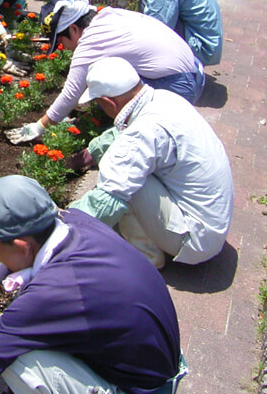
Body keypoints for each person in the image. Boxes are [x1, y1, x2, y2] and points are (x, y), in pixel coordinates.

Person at [0, 175, 186, 394]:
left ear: (21, 245)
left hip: (142, 388)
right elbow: (26, 254)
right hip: (155, 362)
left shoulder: (53, 294)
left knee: (17, 358)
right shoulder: (74, 222)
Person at [69, 57, 234, 269]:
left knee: (122, 179)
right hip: (213, 223)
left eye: (99, 103)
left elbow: (106, 199)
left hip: (194, 240)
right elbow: (121, 133)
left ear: (110, 103)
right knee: (127, 165)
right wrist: (85, 156)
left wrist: (59, 231)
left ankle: (146, 258)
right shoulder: (163, 99)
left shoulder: (141, 133)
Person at [5, 0, 205, 145]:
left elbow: (71, 94)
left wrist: (38, 127)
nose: (62, 47)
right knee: (107, 83)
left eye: (61, 41)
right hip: (196, 71)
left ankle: (135, 131)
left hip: (179, 87)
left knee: (104, 90)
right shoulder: (108, 15)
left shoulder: (90, 43)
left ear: (74, 29)